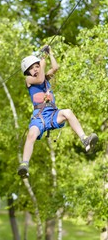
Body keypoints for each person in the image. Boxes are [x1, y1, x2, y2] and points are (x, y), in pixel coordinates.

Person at [18, 46, 98, 179]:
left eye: (37, 66)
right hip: (40, 117)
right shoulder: (29, 80)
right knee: (31, 134)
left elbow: (55, 68)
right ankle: (24, 165)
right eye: (32, 68)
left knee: (68, 112)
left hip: (52, 114)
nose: (36, 69)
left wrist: (50, 54)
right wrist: (42, 63)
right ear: (27, 72)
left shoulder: (45, 78)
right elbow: (39, 79)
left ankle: (85, 140)